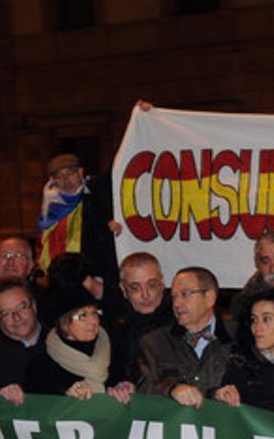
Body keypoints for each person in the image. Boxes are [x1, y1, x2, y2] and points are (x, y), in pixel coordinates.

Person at [138, 266, 233, 406]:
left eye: (185, 294)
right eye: (174, 296)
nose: (176, 304)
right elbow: (142, 390)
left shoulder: (239, 338)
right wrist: (171, 389)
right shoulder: (155, 342)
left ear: (210, 297)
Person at [24, 290, 135, 403]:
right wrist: (66, 397)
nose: (93, 321)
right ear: (65, 323)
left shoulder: (115, 351)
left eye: (95, 313)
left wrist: (125, 388)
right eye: (83, 315)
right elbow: (38, 408)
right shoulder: (40, 367)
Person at [37, 153, 119, 292]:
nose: (66, 180)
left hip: (95, 278)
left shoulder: (98, 194)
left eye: (70, 173)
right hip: (61, 280)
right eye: (59, 176)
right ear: (52, 180)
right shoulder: (49, 209)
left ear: (81, 172)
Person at [215, 288, 274, 413]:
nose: (257, 327)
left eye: (266, 319)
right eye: (254, 320)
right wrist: (218, 394)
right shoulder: (238, 360)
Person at [110, 252, 174, 386]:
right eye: (135, 288)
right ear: (123, 289)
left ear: (162, 283)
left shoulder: (182, 322)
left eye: (152, 285)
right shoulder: (115, 330)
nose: (145, 295)